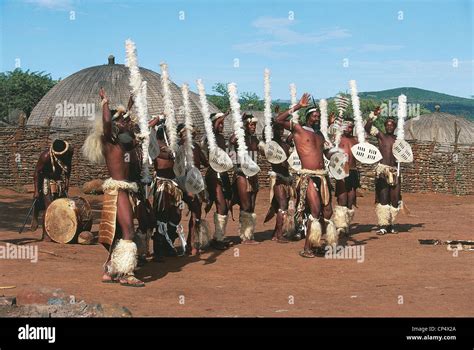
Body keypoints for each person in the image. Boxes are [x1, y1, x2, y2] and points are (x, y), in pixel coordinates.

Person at [83, 87, 144, 287]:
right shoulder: (109, 140)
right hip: (118, 191)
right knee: (129, 232)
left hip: (122, 190)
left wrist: (130, 102)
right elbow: (109, 122)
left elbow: (126, 123)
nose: (129, 123)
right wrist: (105, 102)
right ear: (116, 126)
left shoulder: (122, 142)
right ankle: (126, 273)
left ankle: (109, 271)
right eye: (124, 121)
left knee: (119, 232)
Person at [276, 93, 338, 258]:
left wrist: (338, 158)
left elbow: (327, 153)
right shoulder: (299, 129)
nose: (316, 118)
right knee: (316, 211)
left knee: (327, 211)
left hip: (322, 177)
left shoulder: (320, 135)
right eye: (314, 115)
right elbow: (278, 120)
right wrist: (297, 106)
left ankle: (316, 242)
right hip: (307, 176)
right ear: (308, 116)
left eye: (318, 116)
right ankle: (307, 248)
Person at [148, 116, 184, 259]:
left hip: (174, 184)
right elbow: (147, 132)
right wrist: (157, 119)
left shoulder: (173, 145)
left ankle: (169, 244)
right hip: (162, 184)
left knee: (176, 215)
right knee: (161, 216)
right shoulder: (155, 144)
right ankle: (158, 250)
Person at [364, 108, 401, 234]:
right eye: (387, 125)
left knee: (395, 199)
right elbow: (367, 127)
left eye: (392, 125)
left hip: (395, 171)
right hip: (383, 170)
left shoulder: (398, 140)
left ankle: (391, 223)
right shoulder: (381, 136)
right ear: (385, 126)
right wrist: (373, 116)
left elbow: (405, 155)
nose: (389, 127)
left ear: (395, 127)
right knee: (384, 197)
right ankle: (383, 225)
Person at [176, 123, 211, 255]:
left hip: (194, 182)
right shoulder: (176, 146)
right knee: (174, 215)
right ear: (181, 134)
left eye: (192, 133)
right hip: (178, 184)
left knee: (196, 213)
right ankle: (167, 244)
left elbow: (205, 162)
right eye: (186, 133)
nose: (190, 135)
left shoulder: (196, 147)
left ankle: (192, 243)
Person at [32, 139, 73, 240]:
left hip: (59, 180)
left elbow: (68, 168)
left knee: (61, 205)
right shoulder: (45, 156)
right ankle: (45, 233)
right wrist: (37, 190)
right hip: (46, 179)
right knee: (49, 206)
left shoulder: (68, 153)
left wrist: (67, 184)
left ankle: (59, 231)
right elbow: (37, 172)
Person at [229, 113, 261, 245]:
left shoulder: (254, 140)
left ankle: (249, 234)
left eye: (254, 125)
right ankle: (244, 236)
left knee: (252, 206)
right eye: (251, 125)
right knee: (246, 205)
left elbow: (262, 149)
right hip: (242, 174)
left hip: (253, 175)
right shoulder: (238, 138)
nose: (253, 127)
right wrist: (240, 126)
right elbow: (231, 141)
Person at [203, 112, 232, 250]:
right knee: (221, 205)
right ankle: (217, 239)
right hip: (214, 175)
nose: (221, 125)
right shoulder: (211, 138)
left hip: (223, 173)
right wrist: (224, 115)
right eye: (219, 123)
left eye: (223, 123)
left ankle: (219, 237)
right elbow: (212, 127)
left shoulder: (221, 138)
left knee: (226, 204)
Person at [263, 120, 294, 243]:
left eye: (282, 129)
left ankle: (276, 233)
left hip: (286, 179)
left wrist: (296, 125)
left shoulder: (286, 144)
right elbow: (263, 136)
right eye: (278, 129)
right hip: (278, 178)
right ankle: (280, 235)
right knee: (282, 206)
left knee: (279, 206)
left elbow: (294, 134)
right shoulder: (272, 145)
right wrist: (269, 124)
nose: (281, 131)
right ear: (274, 130)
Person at [332, 118, 358, 236]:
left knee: (351, 199)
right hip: (341, 172)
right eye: (346, 126)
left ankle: (346, 224)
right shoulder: (338, 139)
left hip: (352, 172)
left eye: (350, 126)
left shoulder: (355, 141)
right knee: (342, 198)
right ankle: (340, 226)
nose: (348, 128)